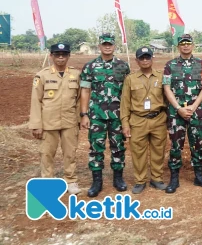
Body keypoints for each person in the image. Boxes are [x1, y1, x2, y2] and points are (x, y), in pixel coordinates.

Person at [80, 33, 130, 197]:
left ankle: (118, 179)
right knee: (96, 148)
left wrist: (127, 117)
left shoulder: (123, 66)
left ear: (114, 46)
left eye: (110, 44)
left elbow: (128, 93)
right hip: (97, 115)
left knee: (118, 147)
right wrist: (84, 114)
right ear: (100, 46)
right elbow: (85, 90)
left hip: (117, 115)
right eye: (104, 44)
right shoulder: (90, 67)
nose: (107, 46)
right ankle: (97, 181)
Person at [29, 43, 82, 194]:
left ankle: (70, 181)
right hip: (48, 122)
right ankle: (48, 182)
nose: (60, 57)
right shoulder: (42, 75)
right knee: (46, 153)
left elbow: (79, 100)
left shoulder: (76, 75)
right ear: (51, 56)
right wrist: (36, 124)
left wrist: (79, 120)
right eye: (57, 54)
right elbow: (36, 101)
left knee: (70, 153)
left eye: (64, 54)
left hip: (69, 121)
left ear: (68, 56)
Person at [163, 33, 202, 193]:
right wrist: (178, 108)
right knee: (175, 145)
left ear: (193, 45)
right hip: (176, 112)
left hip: (196, 111)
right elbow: (166, 88)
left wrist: (193, 106)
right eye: (182, 43)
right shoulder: (170, 65)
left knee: (197, 143)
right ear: (178, 46)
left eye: (188, 43)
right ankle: (174, 178)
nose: (185, 46)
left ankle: (199, 176)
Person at [120, 47, 168, 194]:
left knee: (158, 151)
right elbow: (125, 103)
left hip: (158, 119)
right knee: (138, 152)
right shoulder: (130, 79)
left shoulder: (162, 77)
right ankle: (140, 181)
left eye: (148, 57)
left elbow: (168, 98)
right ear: (137, 61)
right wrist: (125, 123)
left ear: (152, 59)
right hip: (138, 120)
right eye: (142, 58)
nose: (145, 60)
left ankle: (156, 179)